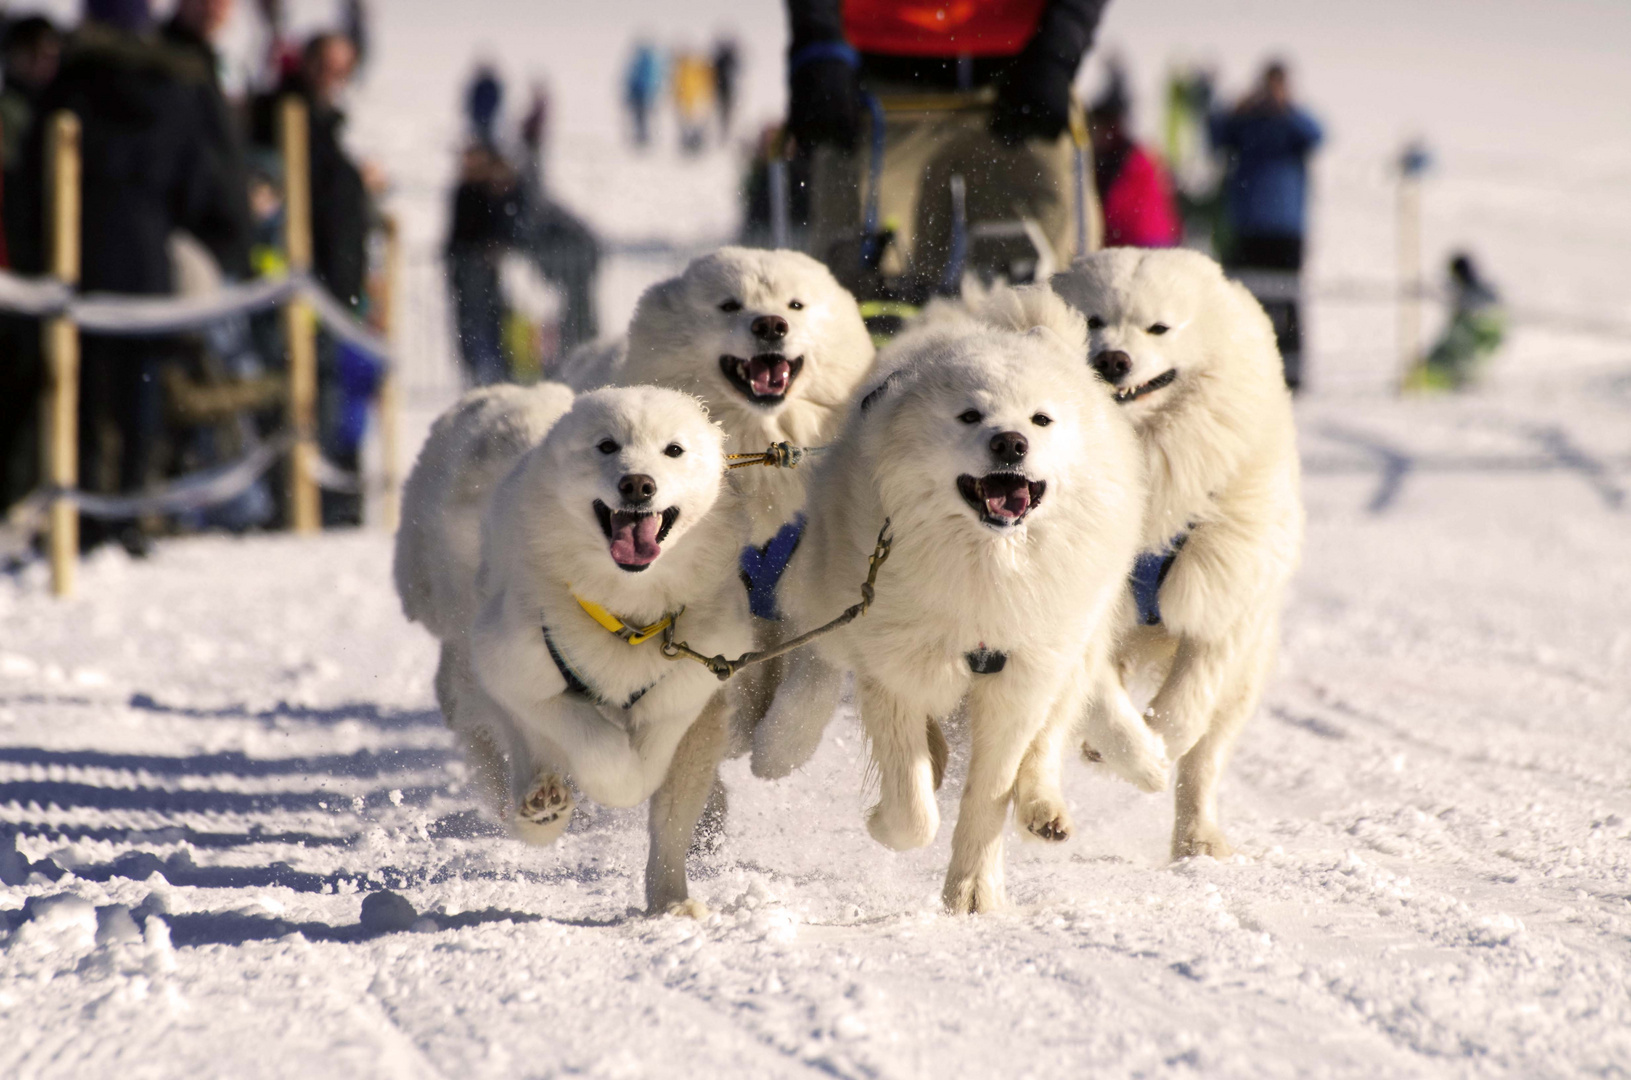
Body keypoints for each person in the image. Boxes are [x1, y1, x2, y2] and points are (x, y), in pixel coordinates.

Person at [9, 0, 231, 553]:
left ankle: (85, 521)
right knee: (142, 401)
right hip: (149, 271)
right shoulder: (175, 90)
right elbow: (200, 188)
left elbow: (30, 187)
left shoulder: (71, 89)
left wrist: (40, 263)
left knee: (82, 401)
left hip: (78, 271)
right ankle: (132, 515)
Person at [785, 0, 1109, 296]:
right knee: (858, 275)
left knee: (1047, 279)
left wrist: (1058, 48)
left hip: (1022, 82)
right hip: (881, 81)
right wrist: (819, 43)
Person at [251, 32, 377, 526]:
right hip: (302, 284)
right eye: (326, 65)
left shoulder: (324, 124)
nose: (334, 77)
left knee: (340, 398)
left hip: (339, 292)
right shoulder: (283, 116)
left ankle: (333, 504)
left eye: (342, 68)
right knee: (308, 398)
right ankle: (305, 507)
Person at [1208, 60, 1322, 390]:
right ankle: (1243, 368)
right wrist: (1234, 109)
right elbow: (1214, 138)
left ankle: (1293, 372)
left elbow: (1318, 134)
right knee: (1244, 300)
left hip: (1285, 229)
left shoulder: (1293, 123)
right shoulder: (1246, 122)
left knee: (1287, 301)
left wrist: (1287, 107)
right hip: (1246, 226)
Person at [163, 0, 254, 279]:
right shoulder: (166, 61)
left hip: (224, 249)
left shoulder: (216, 64)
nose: (215, 9)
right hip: (189, 247)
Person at [1088, 66, 1181, 249]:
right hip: (1152, 240)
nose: (1094, 131)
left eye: (1098, 125)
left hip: (1141, 243)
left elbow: (1115, 207)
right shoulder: (1134, 153)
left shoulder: (1125, 158)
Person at [1406, 252, 1506, 392]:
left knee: (1455, 352)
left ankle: (1458, 378)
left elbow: (1492, 312)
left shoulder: (1484, 291)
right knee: (1444, 351)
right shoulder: (1462, 290)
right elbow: (1444, 292)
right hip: (1470, 339)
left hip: (1481, 338)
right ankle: (1424, 377)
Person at [671, 49, 714, 155]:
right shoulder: (683, 70)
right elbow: (678, 86)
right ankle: (689, 147)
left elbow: (704, 86)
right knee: (687, 128)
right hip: (687, 103)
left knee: (694, 127)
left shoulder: (695, 69)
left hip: (694, 102)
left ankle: (695, 147)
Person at [623, 40, 662, 148]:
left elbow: (638, 79)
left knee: (642, 117)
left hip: (642, 93)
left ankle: (643, 138)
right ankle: (642, 137)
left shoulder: (644, 62)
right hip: (641, 93)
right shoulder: (646, 62)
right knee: (641, 117)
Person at [711, 36, 739, 137]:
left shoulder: (723, 59)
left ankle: (726, 133)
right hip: (722, 90)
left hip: (725, 90)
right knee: (723, 113)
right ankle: (724, 133)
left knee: (726, 113)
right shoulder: (722, 60)